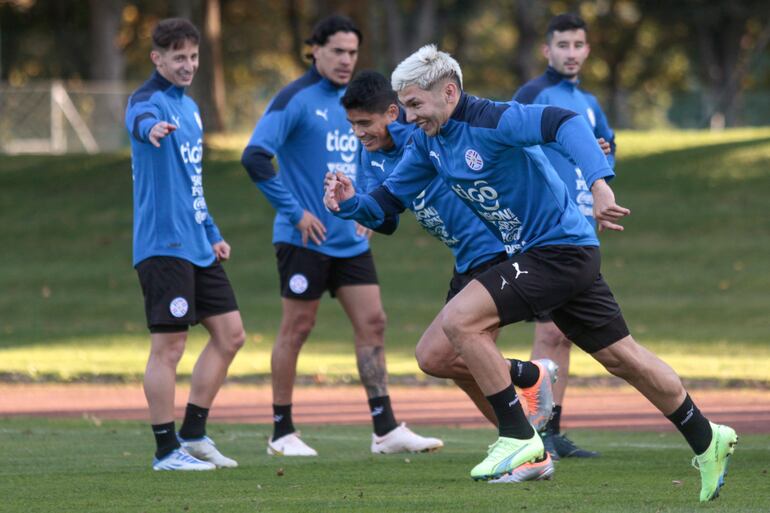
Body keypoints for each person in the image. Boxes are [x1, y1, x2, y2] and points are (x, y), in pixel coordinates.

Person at [324, 45, 737, 502]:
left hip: (560, 250)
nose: (409, 116)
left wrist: (599, 182)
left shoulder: (493, 119)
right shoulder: (428, 141)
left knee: (461, 321)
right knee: (624, 358)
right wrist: (349, 204)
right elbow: (388, 202)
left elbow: (565, 122)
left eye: (416, 104)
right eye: (405, 106)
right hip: (543, 255)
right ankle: (706, 436)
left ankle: (521, 439)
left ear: (449, 91)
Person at [341, 69, 557, 482]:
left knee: (454, 358)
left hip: (493, 251)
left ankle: (527, 445)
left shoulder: (421, 137)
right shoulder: (368, 154)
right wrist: (349, 202)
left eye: (365, 124)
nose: (358, 133)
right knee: (446, 361)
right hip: (464, 260)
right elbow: (386, 216)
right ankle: (528, 396)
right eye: (352, 125)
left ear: (392, 112)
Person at [240, 15, 441, 457]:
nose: (346, 60)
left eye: (353, 52)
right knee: (297, 327)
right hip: (303, 240)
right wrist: (295, 213)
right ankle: (281, 432)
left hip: (350, 239)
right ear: (315, 49)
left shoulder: (361, 101)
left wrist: (368, 207)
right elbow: (254, 157)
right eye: (337, 51)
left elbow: (371, 159)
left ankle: (385, 429)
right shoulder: (295, 99)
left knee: (374, 323)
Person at [125, 18, 245, 471]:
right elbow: (138, 118)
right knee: (169, 348)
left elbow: (191, 183)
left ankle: (193, 435)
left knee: (231, 335)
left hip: (197, 244)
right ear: (158, 58)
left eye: (193, 57)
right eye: (179, 57)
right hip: (162, 245)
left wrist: (212, 234)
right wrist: (150, 130)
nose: (188, 65)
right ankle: (165, 451)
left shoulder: (192, 111)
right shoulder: (148, 101)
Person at [512, 13, 616, 460]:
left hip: (579, 232)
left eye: (578, 45)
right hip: (546, 231)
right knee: (550, 332)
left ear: (587, 51)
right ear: (546, 50)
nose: (571, 53)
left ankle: (550, 429)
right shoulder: (533, 95)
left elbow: (606, 148)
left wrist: (602, 190)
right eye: (563, 45)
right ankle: (535, 433)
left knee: (564, 335)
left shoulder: (589, 101)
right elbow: (508, 146)